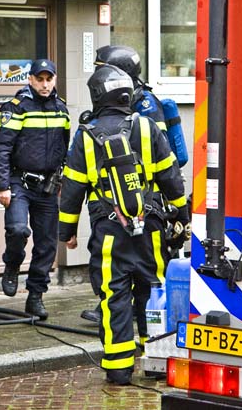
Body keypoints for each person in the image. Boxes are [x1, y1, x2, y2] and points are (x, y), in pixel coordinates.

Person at [58, 64, 189, 385]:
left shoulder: (86, 137)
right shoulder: (147, 127)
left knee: (113, 293)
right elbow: (170, 176)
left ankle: (118, 367)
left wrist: (67, 233)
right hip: (151, 227)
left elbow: (72, 188)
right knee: (152, 288)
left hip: (108, 232)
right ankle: (155, 360)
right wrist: (182, 215)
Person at [80, 45, 187, 324]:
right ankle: (122, 312)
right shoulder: (128, 102)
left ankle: (139, 322)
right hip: (113, 201)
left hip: (142, 199)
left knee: (146, 272)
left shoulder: (145, 105)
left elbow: (163, 159)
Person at [0, 59, 70, 320]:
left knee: (47, 245)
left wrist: (62, 183)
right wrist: (2, 186)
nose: (45, 84)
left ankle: (35, 296)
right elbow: (1, 149)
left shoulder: (62, 110)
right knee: (17, 229)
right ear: (31, 80)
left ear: (55, 80)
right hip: (19, 182)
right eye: (40, 79)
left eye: (49, 79)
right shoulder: (16, 108)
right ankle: (12, 264)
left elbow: (65, 151)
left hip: (48, 185)